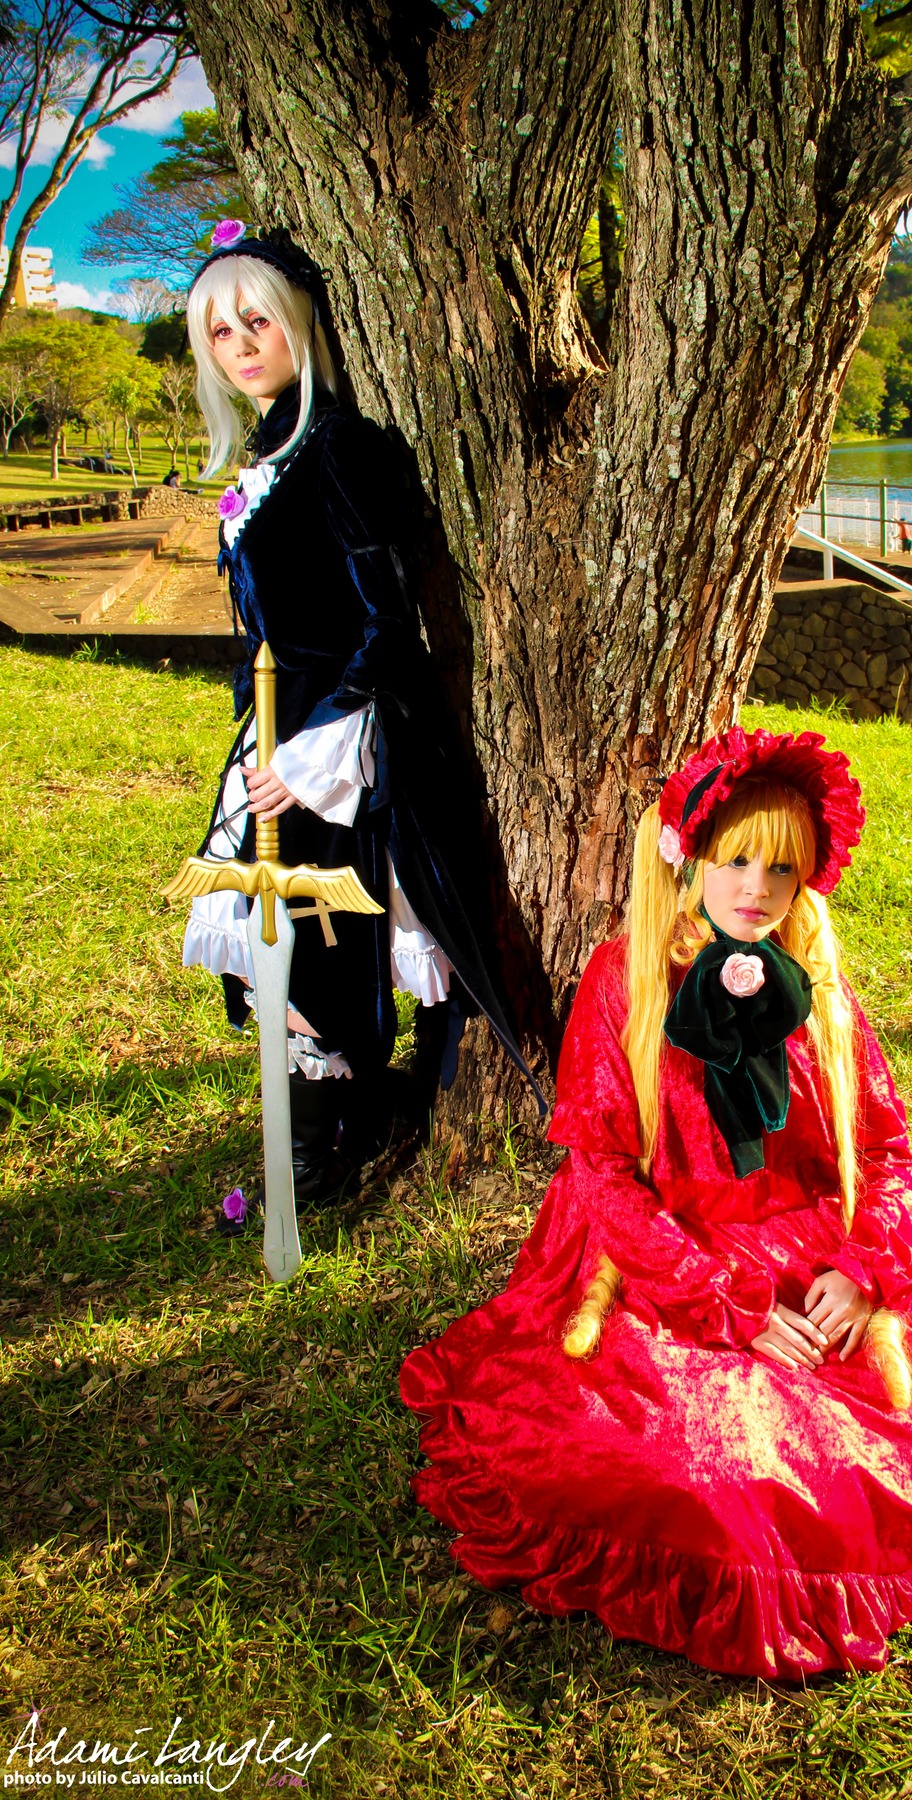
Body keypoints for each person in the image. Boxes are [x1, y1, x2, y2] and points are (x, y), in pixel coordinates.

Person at [399, 726, 912, 1681]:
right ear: (690, 860)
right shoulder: (622, 981)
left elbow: (877, 1151)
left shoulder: (818, 984)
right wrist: (725, 1302)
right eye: (737, 859)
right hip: (664, 1254)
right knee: (707, 1477)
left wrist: (866, 1266)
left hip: (813, 1235)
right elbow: (600, 1178)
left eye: (782, 868)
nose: (757, 887)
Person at [182, 220, 540, 1221]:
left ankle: (315, 1158)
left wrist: (313, 755)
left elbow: (391, 624)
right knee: (278, 941)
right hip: (277, 726)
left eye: (258, 320)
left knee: (313, 939)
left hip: (337, 740)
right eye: (220, 331)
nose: (241, 344)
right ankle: (324, 1134)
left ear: (300, 323)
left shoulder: (341, 451)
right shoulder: (272, 456)